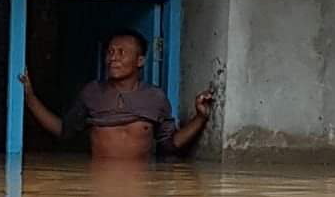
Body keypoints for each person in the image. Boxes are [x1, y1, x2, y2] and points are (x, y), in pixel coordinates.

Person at [20, 32, 213, 161]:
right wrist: (30, 98)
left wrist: (200, 117)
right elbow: (63, 131)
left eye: (121, 53)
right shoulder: (92, 92)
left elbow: (170, 144)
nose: (113, 58)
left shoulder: (155, 97)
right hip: (98, 184)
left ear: (140, 61)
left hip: (140, 188)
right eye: (110, 52)